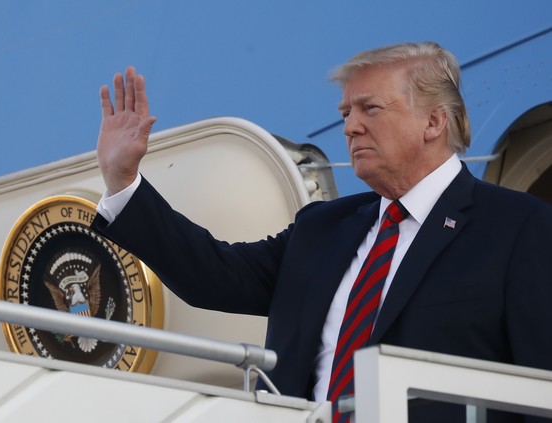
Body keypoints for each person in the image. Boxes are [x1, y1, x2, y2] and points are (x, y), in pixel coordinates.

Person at [91, 42, 552, 422]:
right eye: (346, 111)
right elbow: (212, 275)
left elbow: (541, 386)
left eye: (369, 108)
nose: (350, 126)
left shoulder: (519, 227)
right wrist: (122, 182)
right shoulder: (323, 227)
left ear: (434, 121)